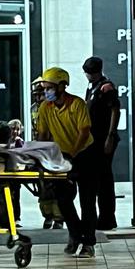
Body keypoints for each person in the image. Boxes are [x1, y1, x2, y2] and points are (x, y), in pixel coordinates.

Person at [36, 67, 97, 258]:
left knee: (87, 201)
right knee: (63, 200)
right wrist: (40, 154)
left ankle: (88, 244)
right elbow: (43, 135)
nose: (46, 91)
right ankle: (75, 234)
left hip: (85, 154)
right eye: (45, 88)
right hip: (62, 157)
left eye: (50, 87)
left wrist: (73, 153)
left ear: (62, 86)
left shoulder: (77, 104)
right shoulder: (45, 108)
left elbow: (84, 131)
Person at [83, 56, 121, 230]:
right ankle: (102, 217)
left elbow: (115, 110)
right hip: (93, 139)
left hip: (104, 138)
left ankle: (107, 218)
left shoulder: (106, 87)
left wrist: (110, 136)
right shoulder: (92, 88)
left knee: (105, 180)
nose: (88, 76)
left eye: (91, 73)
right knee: (98, 179)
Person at [31, 77, 64, 230]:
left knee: (56, 186)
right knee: (42, 186)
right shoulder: (34, 109)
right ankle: (48, 216)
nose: (38, 98)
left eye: (41, 94)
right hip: (40, 151)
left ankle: (59, 217)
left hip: (55, 151)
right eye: (36, 95)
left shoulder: (55, 107)